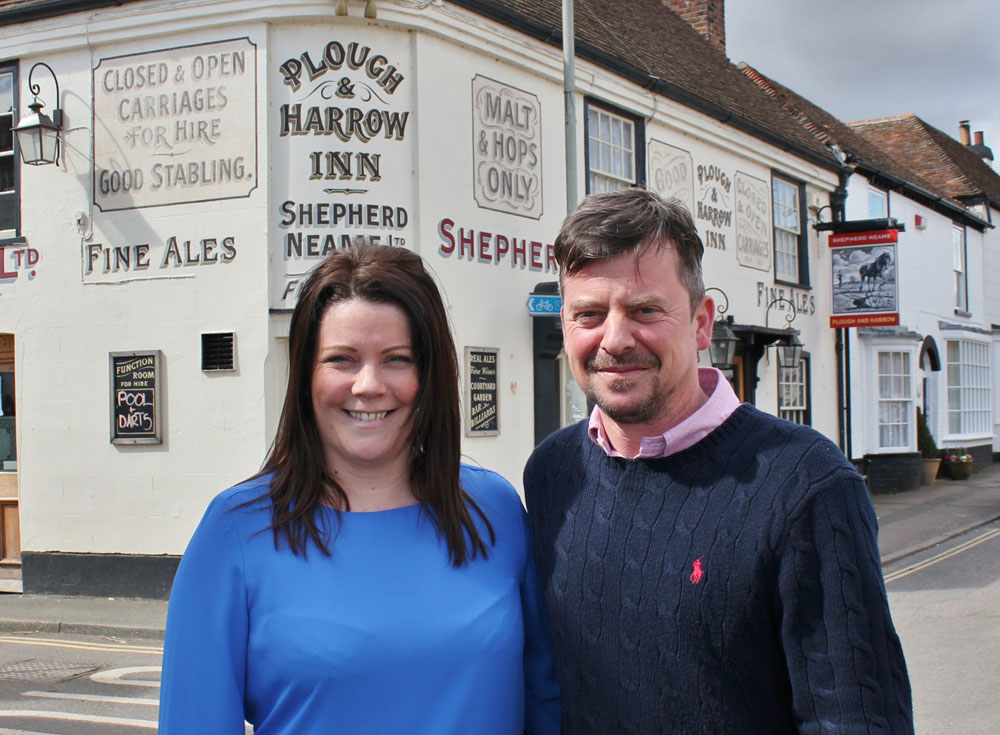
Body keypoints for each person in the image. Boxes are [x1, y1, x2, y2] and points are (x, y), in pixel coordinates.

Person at [524, 188, 913, 734]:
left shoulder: (806, 483)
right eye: (589, 313)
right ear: (565, 326)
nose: (614, 338)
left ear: (702, 323)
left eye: (645, 310)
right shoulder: (552, 471)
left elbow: (856, 718)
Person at [160, 244, 560, 734]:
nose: (368, 384)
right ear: (306, 375)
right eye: (342, 360)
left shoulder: (493, 510)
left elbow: (548, 703)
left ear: (428, 374)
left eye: (396, 359)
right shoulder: (235, 532)